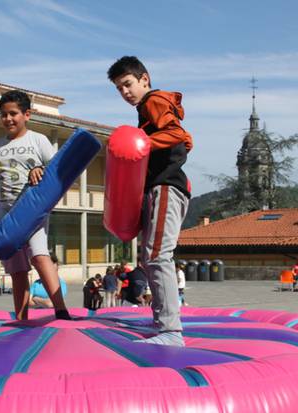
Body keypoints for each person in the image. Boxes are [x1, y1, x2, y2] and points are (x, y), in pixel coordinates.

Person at [0, 90, 70, 321]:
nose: (8, 119)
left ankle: (61, 310)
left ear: (27, 114)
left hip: (32, 210)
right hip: (7, 213)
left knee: (39, 255)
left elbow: (57, 168)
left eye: (13, 114)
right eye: (4, 115)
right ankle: (21, 318)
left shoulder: (38, 140)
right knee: (17, 269)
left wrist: (41, 170)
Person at [109, 56, 193, 346]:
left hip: (166, 186)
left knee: (157, 255)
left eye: (128, 84)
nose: (125, 92)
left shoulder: (153, 100)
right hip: (162, 188)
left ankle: (171, 330)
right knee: (150, 256)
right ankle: (163, 323)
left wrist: (141, 142)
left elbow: (176, 133)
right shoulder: (147, 109)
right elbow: (183, 138)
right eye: (119, 88)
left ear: (144, 78)